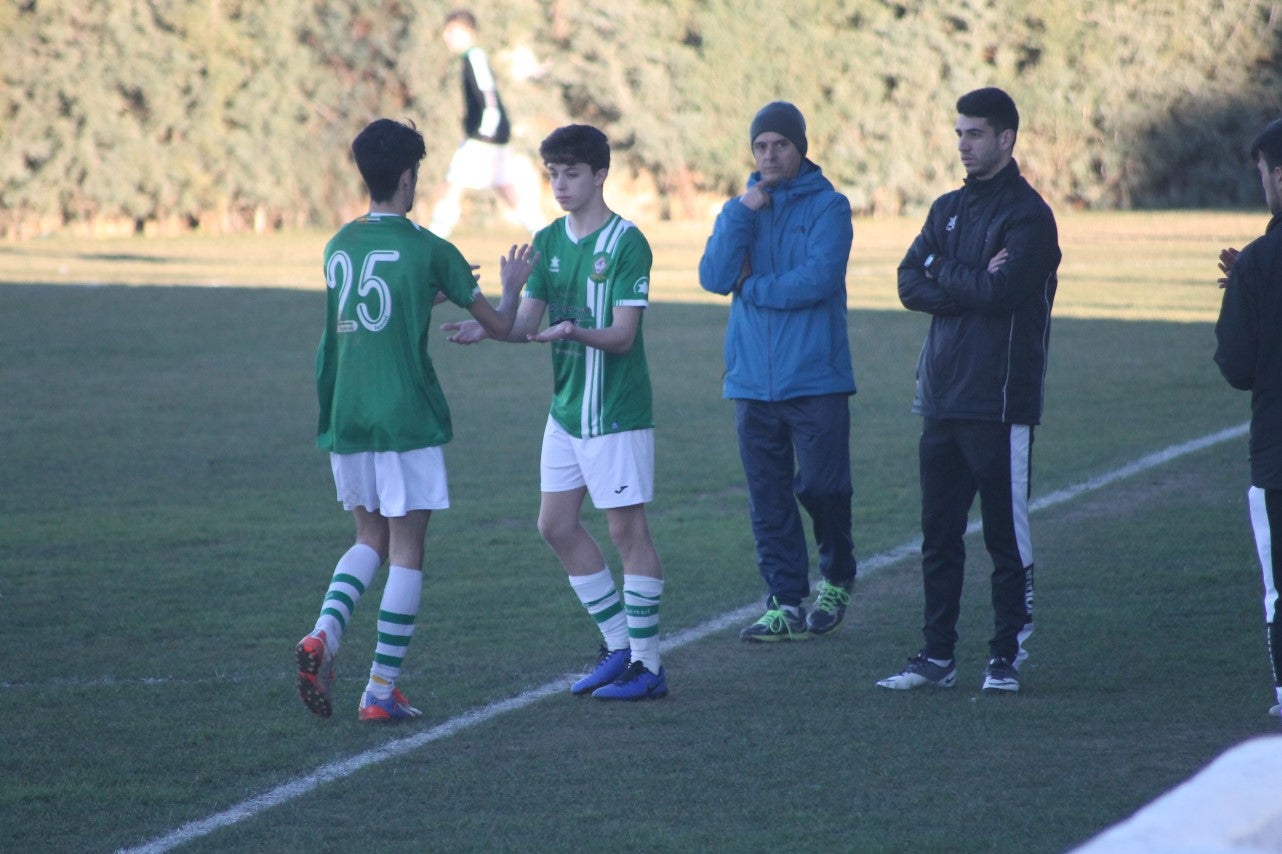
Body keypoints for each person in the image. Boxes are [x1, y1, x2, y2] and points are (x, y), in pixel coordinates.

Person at [296, 117, 534, 722]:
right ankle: (379, 690)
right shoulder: (431, 249)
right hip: (403, 414)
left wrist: (420, 298)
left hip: (347, 411)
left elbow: (362, 317)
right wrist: (511, 286)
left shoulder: (338, 245)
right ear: (408, 176)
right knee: (407, 548)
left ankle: (324, 631)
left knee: (366, 538)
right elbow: (504, 327)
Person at [440, 124, 668, 701]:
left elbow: (621, 336)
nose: (561, 185)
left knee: (627, 530)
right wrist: (498, 308)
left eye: (572, 174)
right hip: (566, 411)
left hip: (615, 411)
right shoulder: (545, 240)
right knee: (555, 525)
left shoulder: (627, 243)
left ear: (599, 175)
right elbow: (520, 328)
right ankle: (619, 647)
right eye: (553, 175)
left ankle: (650, 666)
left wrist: (573, 331)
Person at [878, 87, 1060, 694]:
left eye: (974, 133)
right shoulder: (946, 208)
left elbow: (1002, 295)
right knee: (939, 535)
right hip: (941, 398)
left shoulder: (1029, 216)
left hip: (1001, 402)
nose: (963, 144)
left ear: (1006, 139)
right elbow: (908, 282)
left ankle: (1005, 656)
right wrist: (968, 278)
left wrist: (946, 273)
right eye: (959, 133)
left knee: (1006, 540)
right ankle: (936, 656)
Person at [697, 101, 859, 642]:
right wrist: (742, 212)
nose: (769, 155)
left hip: (815, 377)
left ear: (800, 147)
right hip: (750, 381)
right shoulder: (740, 210)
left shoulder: (830, 208)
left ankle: (836, 576)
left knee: (822, 488)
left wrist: (753, 287)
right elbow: (714, 277)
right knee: (768, 498)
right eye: (760, 146)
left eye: (780, 145)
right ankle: (784, 602)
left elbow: (816, 281)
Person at [1213, 117, 1282, 720]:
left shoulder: (1259, 263)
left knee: (1279, 585)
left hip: (1278, 453)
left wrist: (1241, 295)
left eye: (1262, 172)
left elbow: (1236, 365)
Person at [428, 9, 541, 238]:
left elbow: (488, 97)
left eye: (452, 31)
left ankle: (432, 242)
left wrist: (483, 132)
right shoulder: (470, 58)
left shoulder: (475, 56)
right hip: (492, 135)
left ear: (468, 32)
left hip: (485, 136)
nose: (446, 37)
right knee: (506, 189)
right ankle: (546, 237)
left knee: (453, 185)